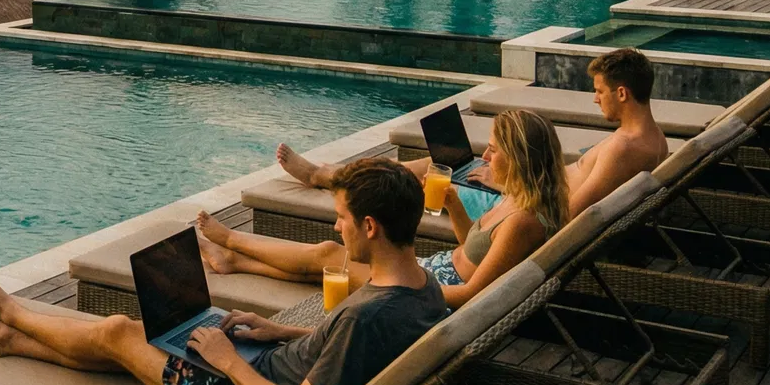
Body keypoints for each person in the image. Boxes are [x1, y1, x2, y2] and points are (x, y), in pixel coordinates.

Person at [0, 158, 448, 385]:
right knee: (145, 346)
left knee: (119, 333)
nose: (334, 227)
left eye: (341, 218)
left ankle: (9, 313)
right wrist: (281, 331)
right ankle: (6, 340)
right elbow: (341, 349)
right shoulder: (420, 287)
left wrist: (229, 362)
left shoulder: (367, 315)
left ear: (369, 226)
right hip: (268, 365)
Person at [195, 109, 566, 308]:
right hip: (435, 273)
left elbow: (474, 296)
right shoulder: (521, 200)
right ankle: (234, 261)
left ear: (519, 158)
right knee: (332, 266)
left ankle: (232, 240)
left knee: (330, 254)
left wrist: (409, 284)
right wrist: (453, 205)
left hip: (432, 291)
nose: (484, 157)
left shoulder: (523, 221)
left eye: (494, 151)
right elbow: (476, 248)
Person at [277, 47, 668, 219]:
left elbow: (567, 213)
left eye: (599, 91)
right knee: (447, 161)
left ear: (622, 92)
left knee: (429, 173)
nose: (595, 99)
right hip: (530, 189)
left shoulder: (624, 147)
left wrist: (505, 186)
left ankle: (329, 177)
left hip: (520, 208)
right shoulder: (653, 140)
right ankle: (336, 174)